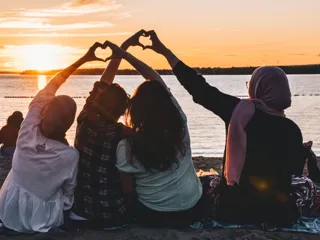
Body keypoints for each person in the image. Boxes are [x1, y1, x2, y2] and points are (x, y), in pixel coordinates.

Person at [143, 31, 316, 226]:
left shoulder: (238, 112)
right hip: (275, 214)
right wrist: (304, 153)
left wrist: (165, 52)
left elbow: (199, 88)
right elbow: (293, 171)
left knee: (207, 181)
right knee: (307, 184)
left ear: (257, 88)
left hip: (232, 210)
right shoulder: (292, 130)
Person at [0, 43, 104, 233]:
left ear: (44, 112)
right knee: (60, 191)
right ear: (69, 124)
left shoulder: (27, 130)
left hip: (9, 210)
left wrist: (82, 59)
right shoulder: (70, 155)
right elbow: (68, 193)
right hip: (44, 217)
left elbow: (52, 85)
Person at [101, 40, 205, 228]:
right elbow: (157, 81)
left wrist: (122, 53)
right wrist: (126, 55)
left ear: (135, 109)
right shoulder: (179, 125)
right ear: (167, 104)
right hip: (192, 210)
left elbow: (128, 191)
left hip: (152, 215)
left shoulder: (127, 145)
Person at [70, 30, 147, 229]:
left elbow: (104, 81)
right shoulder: (122, 134)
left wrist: (122, 49)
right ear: (122, 111)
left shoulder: (84, 118)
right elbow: (127, 182)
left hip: (81, 211)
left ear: (98, 102)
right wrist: (125, 48)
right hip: (112, 214)